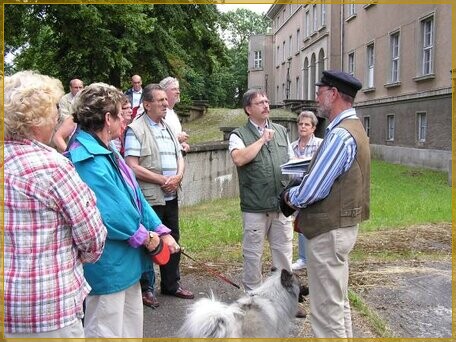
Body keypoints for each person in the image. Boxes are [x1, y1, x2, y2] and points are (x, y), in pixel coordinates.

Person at [66, 82, 180, 338]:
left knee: (130, 329)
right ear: (108, 118)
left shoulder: (108, 151)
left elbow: (136, 198)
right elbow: (110, 213)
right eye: (121, 113)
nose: (124, 120)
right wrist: (147, 237)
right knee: (106, 331)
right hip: (108, 265)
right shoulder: (84, 157)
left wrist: (160, 229)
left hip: (127, 262)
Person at [3, 70, 107, 338]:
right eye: (52, 110)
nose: (58, 117)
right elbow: (93, 239)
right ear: (36, 119)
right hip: (49, 310)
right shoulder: (54, 167)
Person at [283, 70, 370, 338]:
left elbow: (313, 190)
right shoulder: (351, 129)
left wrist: (289, 197)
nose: (316, 98)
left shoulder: (341, 135)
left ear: (333, 94)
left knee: (325, 311)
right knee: (337, 302)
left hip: (329, 231)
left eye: (319, 92)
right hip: (340, 228)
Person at [125, 83, 194, 302]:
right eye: (160, 100)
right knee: (150, 240)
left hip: (171, 194)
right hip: (150, 196)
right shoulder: (135, 129)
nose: (166, 103)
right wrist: (163, 179)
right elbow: (132, 165)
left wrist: (178, 177)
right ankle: (146, 288)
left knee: (173, 238)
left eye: (166, 99)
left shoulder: (168, 128)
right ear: (146, 104)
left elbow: (179, 157)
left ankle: (171, 284)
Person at [229, 89, 294, 293]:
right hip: (255, 207)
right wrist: (262, 140)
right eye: (260, 103)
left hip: (281, 205)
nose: (266, 105)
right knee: (252, 255)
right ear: (248, 109)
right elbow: (239, 159)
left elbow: (292, 163)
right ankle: (253, 300)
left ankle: (287, 299)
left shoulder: (281, 131)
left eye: (267, 101)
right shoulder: (238, 135)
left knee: (284, 254)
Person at [290, 111, 323, 271]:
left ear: (313, 128)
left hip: (314, 191)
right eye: (301, 124)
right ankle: (303, 258)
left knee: (316, 224)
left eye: (307, 124)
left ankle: (317, 258)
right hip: (297, 190)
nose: (303, 127)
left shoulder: (320, 145)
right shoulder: (292, 147)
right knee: (300, 224)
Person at [159, 76, 190, 153]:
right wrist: (178, 139)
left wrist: (183, 144)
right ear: (164, 92)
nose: (178, 92)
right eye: (174, 89)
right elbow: (157, 140)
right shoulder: (158, 113)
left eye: (178, 89)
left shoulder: (173, 113)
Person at [52, 78, 83, 152]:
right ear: (70, 88)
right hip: (67, 128)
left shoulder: (85, 98)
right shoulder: (64, 99)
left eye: (80, 87)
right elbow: (64, 116)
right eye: (76, 87)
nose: (78, 89)